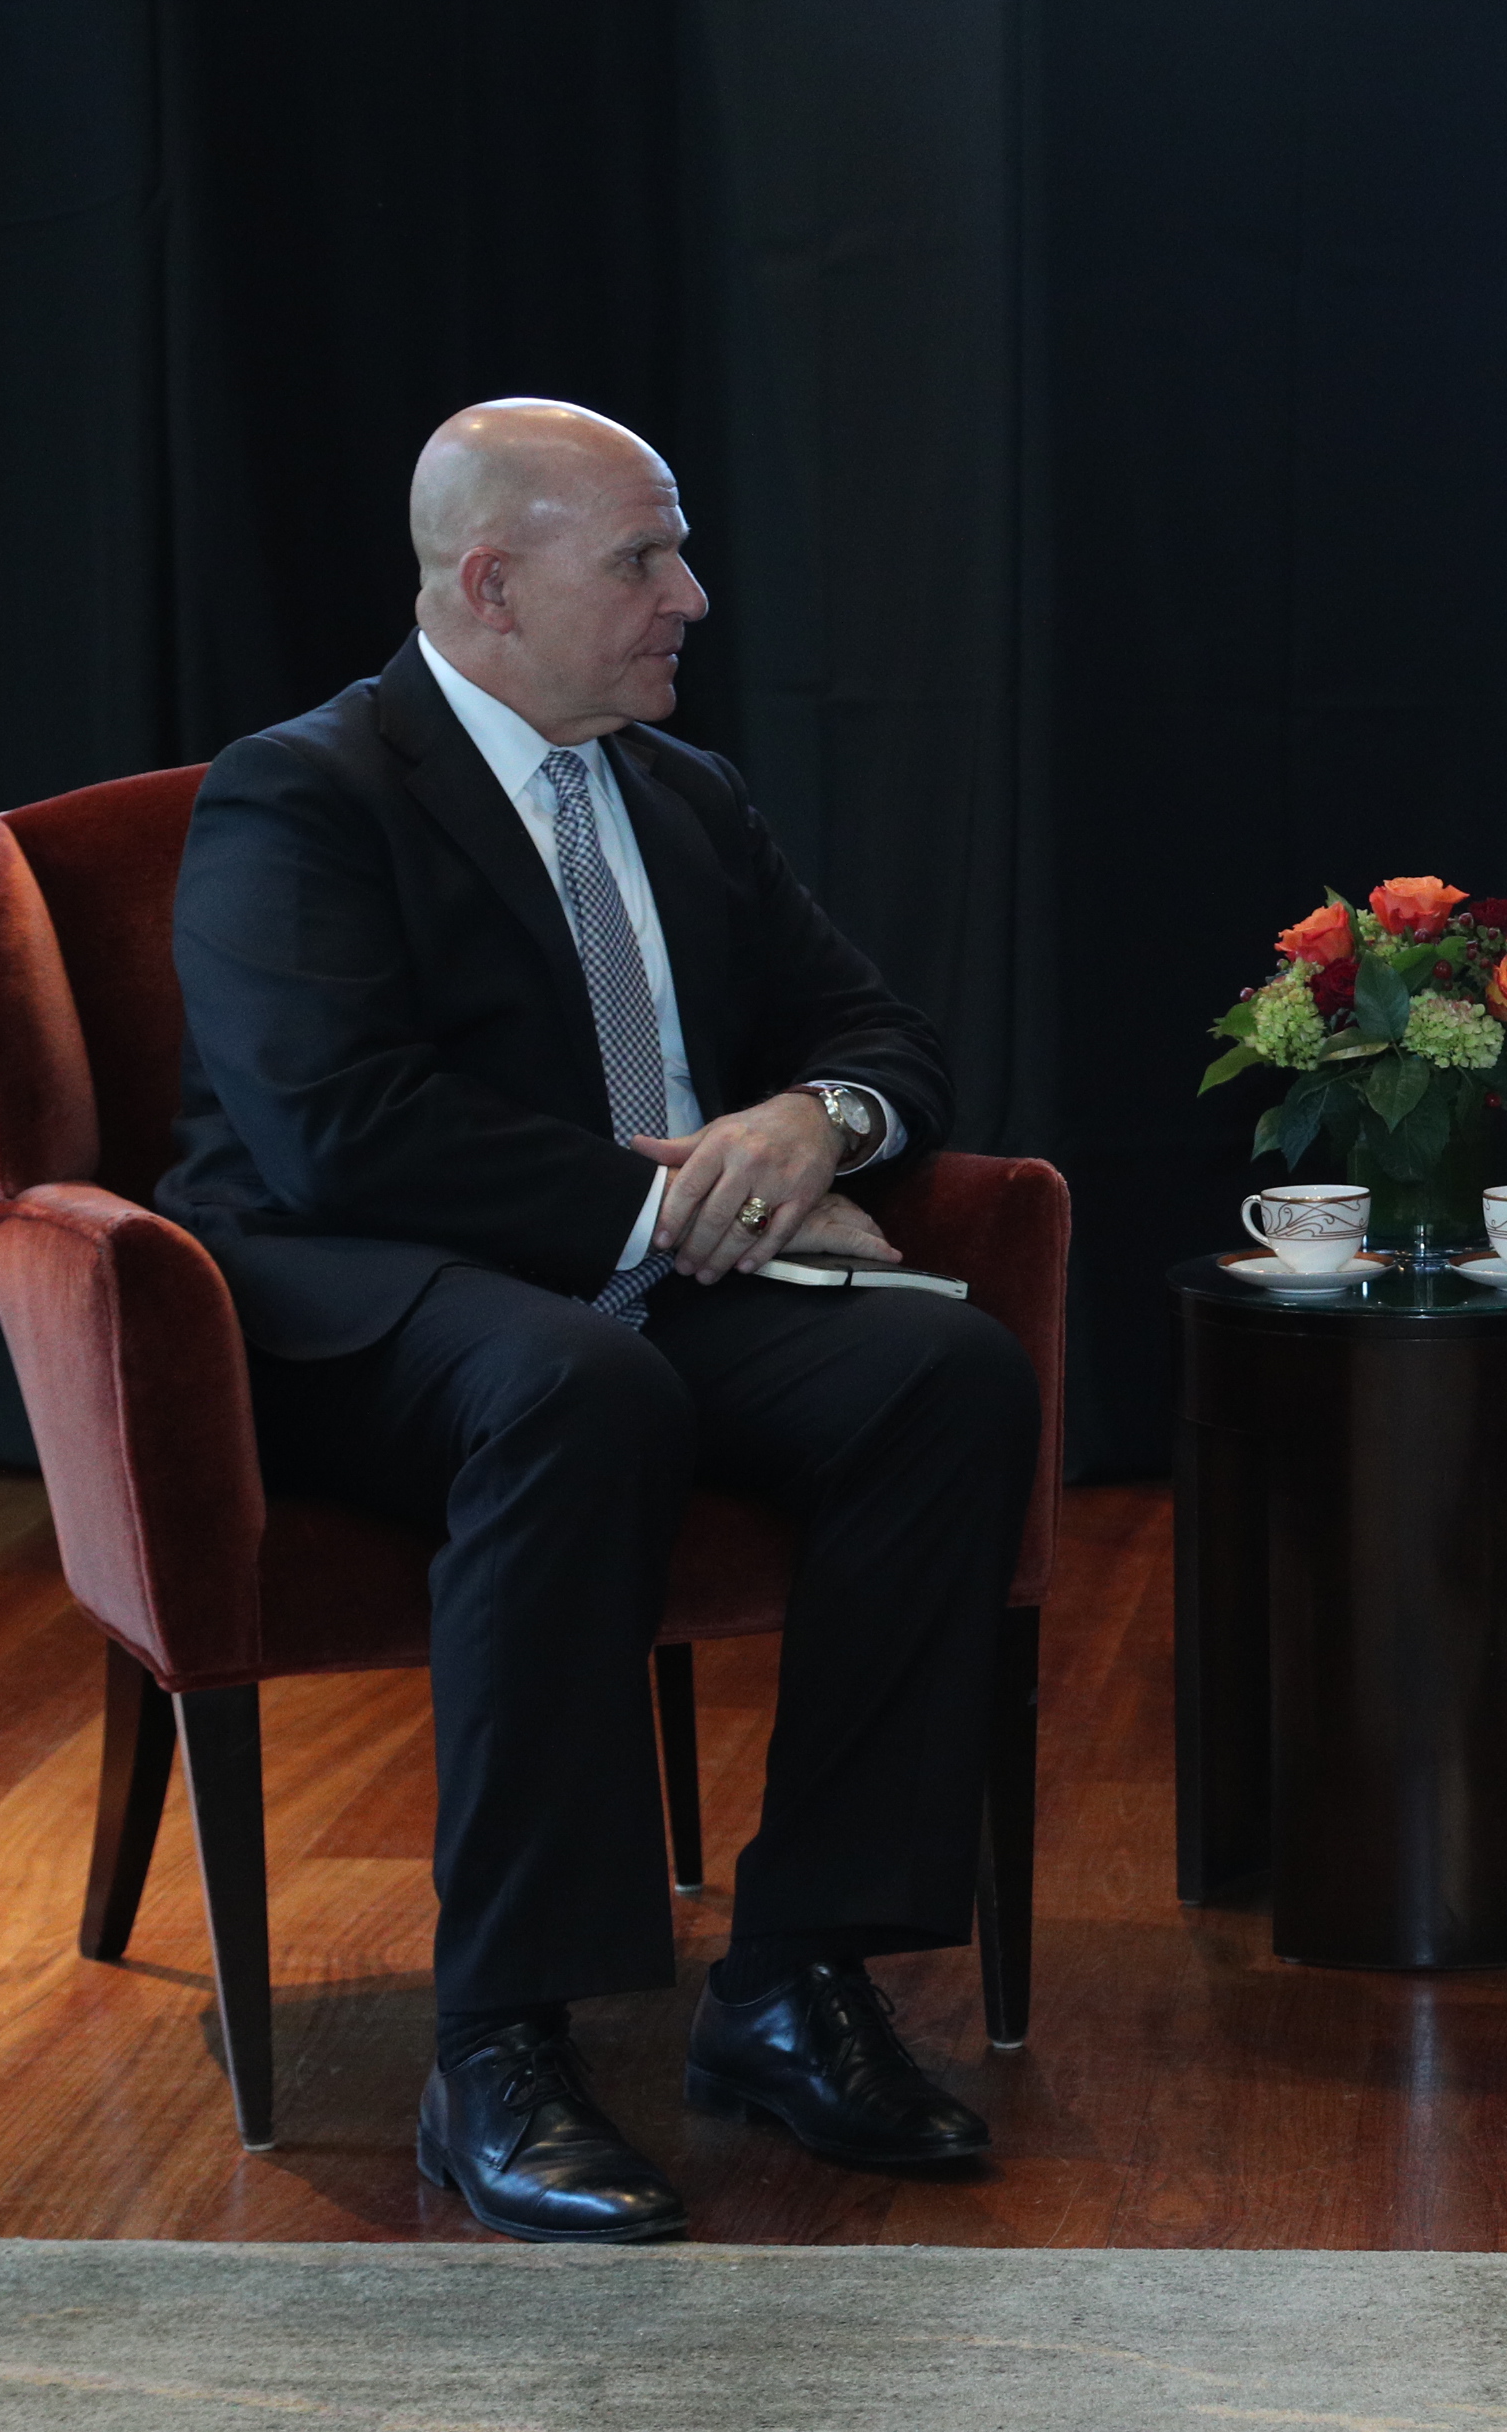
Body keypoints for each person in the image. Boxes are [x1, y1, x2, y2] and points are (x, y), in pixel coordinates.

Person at [161, 399, 1040, 2243]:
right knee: (581, 1389)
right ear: (489, 583)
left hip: (637, 1284)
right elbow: (339, 1125)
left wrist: (818, 1125)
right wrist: (680, 1201)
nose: (691, 599)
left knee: (943, 1376)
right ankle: (500, 2045)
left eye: (677, 552)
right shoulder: (306, 788)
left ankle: (793, 1979)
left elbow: (883, 1037)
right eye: (643, 559)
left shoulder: (685, 795)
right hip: (362, 1294)